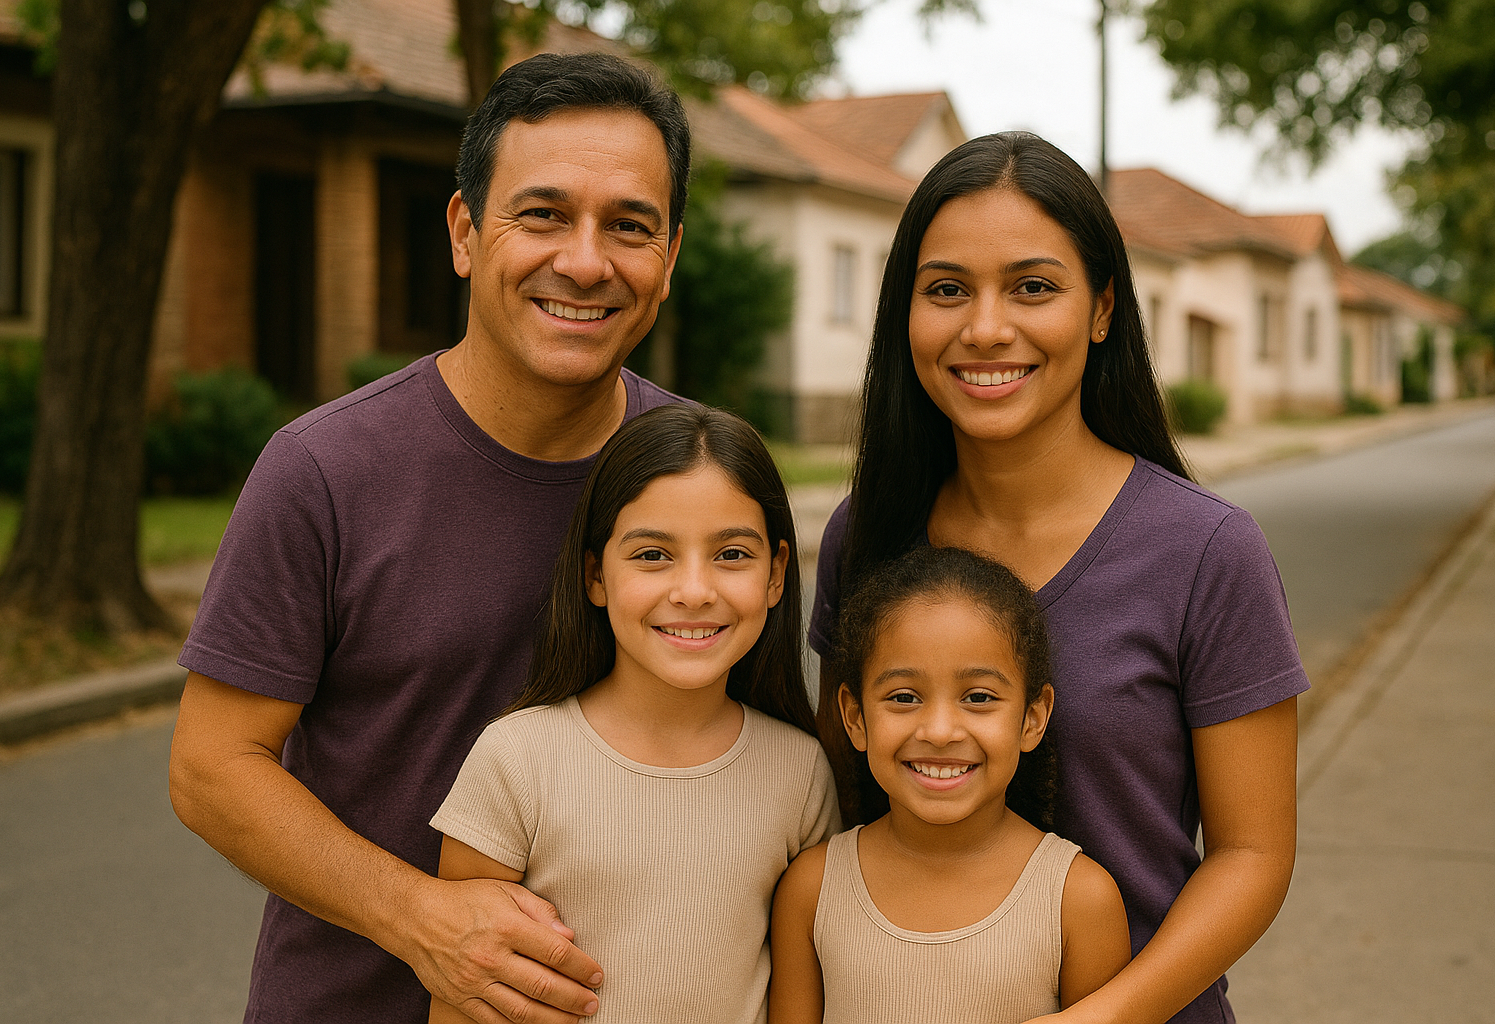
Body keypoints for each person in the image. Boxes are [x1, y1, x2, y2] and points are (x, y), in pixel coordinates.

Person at [168, 53, 690, 1024]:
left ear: (669, 255)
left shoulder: (704, 481)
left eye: (629, 225)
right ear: (464, 231)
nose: (586, 262)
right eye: (542, 214)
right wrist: (422, 917)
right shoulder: (324, 469)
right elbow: (211, 768)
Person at [808, 132, 1307, 1024]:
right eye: (946, 289)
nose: (985, 327)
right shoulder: (867, 534)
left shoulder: (1208, 552)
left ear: (1102, 309)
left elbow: (1254, 857)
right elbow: (840, 803)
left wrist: (1099, 1019)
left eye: (1032, 287)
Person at [429, 404, 839, 1024]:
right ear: (596, 574)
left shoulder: (801, 772)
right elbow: (460, 998)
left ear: (777, 574)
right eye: (652, 555)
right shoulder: (515, 759)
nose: (694, 591)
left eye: (732, 554)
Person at [771, 545, 1130, 1024]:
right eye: (904, 697)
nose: (940, 732)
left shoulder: (1078, 899)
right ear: (855, 717)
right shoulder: (812, 891)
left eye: (978, 697)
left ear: (1033, 717)